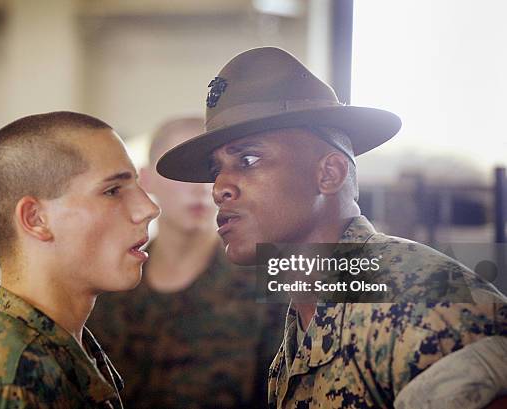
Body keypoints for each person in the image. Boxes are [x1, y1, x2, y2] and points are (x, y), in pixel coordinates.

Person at [156, 47, 507, 408]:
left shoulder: (421, 305)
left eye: (248, 159)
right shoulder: (305, 317)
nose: (218, 188)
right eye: (217, 171)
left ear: (329, 173)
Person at [0, 111, 160, 408]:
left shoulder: (60, 349)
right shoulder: (10, 384)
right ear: (36, 219)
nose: (148, 208)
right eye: (113, 191)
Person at [87, 117, 285, 409]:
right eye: (182, 171)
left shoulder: (267, 276)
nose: (202, 188)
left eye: (213, 172)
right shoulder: (109, 285)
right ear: (147, 179)